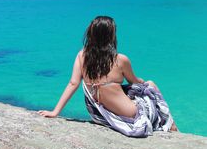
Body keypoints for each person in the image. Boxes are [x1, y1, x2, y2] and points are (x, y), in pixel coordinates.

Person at [38, 16, 177, 137]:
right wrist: (144, 81)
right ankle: (172, 127)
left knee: (130, 89)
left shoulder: (82, 56)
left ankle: (170, 126)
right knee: (151, 85)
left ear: (91, 34)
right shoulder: (120, 60)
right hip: (128, 114)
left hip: (99, 114)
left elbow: (73, 84)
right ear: (111, 36)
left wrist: (55, 111)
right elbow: (135, 82)